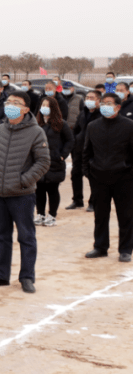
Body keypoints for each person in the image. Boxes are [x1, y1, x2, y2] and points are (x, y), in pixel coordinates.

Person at [0, 91, 50, 292]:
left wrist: (23, 181)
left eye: (16, 103)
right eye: (9, 102)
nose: (10, 105)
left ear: (26, 109)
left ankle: (27, 277)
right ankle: (2, 274)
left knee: (26, 237)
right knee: (2, 236)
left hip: (22, 195)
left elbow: (43, 161)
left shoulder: (36, 132)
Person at [83, 91, 133, 262]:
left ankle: (125, 249)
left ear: (118, 107)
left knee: (125, 215)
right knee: (100, 215)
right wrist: (89, 174)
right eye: (103, 103)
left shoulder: (129, 126)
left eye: (109, 103)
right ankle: (100, 247)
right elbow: (86, 152)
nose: (105, 106)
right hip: (99, 178)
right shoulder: (93, 126)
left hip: (124, 179)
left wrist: (128, 173)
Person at [35, 96, 74, 227]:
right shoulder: (37, 123)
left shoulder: (61, 123)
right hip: (38, 162)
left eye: (47, 106)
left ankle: (52, 215)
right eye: (43, 105)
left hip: (55, 162)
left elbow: (70, 140)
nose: (44, 108)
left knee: (52, 190)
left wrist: (62, 155)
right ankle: (40, 214)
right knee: (39, 190)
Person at [68, 89, 102, 211]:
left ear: (99, 100)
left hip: (94, 151)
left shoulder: (101, 114)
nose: (88, 100)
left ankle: (93, 202)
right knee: (75, 175)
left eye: (92, 98)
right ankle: (77, 201)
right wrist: (75, 141)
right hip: (79, 150)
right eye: (87, 97)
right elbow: (76, 129)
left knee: (93, 177)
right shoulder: (83, 113)